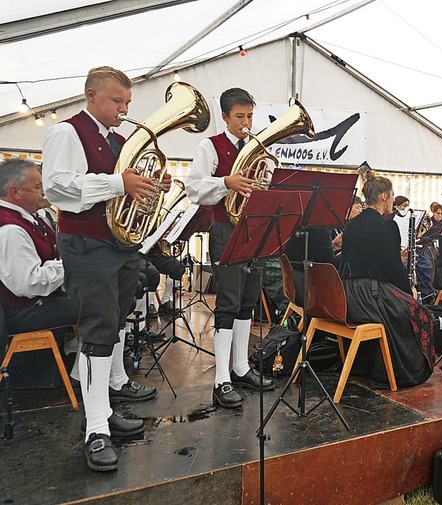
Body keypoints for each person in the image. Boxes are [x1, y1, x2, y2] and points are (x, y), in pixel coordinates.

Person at [42, 66, 161, 472]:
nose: (123, 110)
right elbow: (56, 186)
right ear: (91, 95)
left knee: (113, 325)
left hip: (119, 245)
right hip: (86, 243)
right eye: (117, 101)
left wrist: (144, 192)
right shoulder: (66, 132)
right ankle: (96, 430)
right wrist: (117, 184)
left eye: (127, 103)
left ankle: (104, 409)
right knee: (96, 330)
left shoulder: (118, 140)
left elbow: (124, 187)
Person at [185, 87, 274, 409]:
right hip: (225, 228)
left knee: (248, 303)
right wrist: (226, 183)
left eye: (250, 116)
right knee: (228, 303)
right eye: (240, 117)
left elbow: (264, 187)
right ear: (224, 117)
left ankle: (240, 367)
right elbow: (194, 188)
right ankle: (221, 378)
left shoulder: (255, 148)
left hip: (255, 231)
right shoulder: (209, 146)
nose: (247, 122)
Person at [340, 171, 434, 389]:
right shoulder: (386, 226)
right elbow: (392, 271)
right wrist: (409, 293)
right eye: (392, 195)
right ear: (383, 196)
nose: (393, 199)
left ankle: (367, 365)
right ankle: (400, 371)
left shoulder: (352, 224)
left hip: (349, 294)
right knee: (421, 314)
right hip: (371, 295)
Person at [0, 159, 78, 338]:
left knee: (102, 298)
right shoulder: (10, 229)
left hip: (37, 301)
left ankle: (79, 355)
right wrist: (70, 263)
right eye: (38, 186)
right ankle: (87, 364)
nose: (44, 192)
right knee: (101, 308)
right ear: (15, 192)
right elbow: (30, 284)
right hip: (24, 311)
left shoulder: (27, 217)